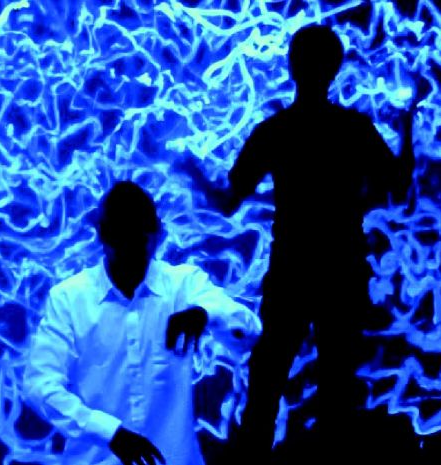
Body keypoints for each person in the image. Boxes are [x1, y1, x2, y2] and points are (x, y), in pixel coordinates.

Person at [177, 24, 416, 464]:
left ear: (292, 66)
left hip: (291, 271)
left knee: (266, 386)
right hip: (342, 271)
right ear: (335, 69)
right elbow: (398, 185)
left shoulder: (275, 131)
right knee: (337, 391)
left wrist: (193, 173)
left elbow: (228, 203)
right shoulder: (354, 128)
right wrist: (408, 125)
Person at [23, 180, 262, 465]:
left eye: (141, 239)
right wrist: (108, 432)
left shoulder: (184, 284)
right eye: (123, 239)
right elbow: (39, 385)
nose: (134, 249)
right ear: (103, 236)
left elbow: (250, 332)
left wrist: (206, 314)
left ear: (156, 234)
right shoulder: (68, 299)